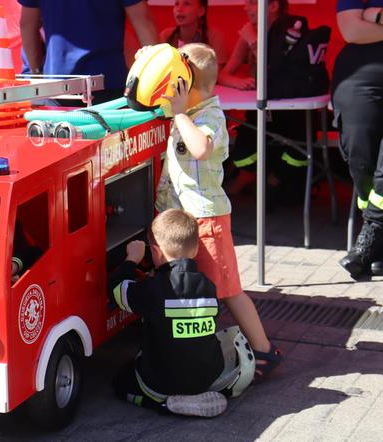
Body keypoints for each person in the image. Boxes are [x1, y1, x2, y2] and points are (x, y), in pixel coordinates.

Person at [155, 43, 282, 382]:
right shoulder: (186, 112)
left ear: (188, 87)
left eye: (174, 83)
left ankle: (264, 349)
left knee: (226, 288)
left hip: (207, 220)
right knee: (197, 287)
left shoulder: (210, 116)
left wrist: (181, 113)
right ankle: (202, 345)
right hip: (183, 216)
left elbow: (199, 149)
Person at [110, 209, 231, 417]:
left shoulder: (153, 289)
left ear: (156, 253)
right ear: (194, 250)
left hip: (162, 381)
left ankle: (162, 404)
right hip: (207, 376)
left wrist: (132, 260)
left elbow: (116, 290)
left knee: (121, 381)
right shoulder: (209, 286)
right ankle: (209, 391)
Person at [218, 0, 307, 209]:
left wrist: (254, 42)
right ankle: (249, 177)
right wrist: (237, 82)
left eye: (251, 3)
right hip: (259, 114)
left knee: (278, 193)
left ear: (273, 6)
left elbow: (275, 73)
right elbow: (222, 74)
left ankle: (274, 180)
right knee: (246, 141)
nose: (245, 7)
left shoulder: (291, 31)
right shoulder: (249, 31)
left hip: (289, 114)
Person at [19, 0, 158, 104]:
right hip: (107, 83)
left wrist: (36, 72)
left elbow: (27, 24)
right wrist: (159, 77)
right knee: (110, 142)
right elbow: (142, 20)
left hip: (56, 87)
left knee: (57, 141)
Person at [332, 1, 383, 279]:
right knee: (359, 153)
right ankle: (379, 240)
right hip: (358, 75)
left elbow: (360, 24)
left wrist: (373, 17)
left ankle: (371, 238)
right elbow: (351, 30)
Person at [159, 0, 227, 70]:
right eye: (177, 4)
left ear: (201, 11)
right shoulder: (166, 35)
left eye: (187, 4)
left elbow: (217, 72)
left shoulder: (214, 36)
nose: (179, 9)